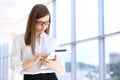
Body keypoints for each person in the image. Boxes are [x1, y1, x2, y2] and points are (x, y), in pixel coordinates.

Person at [10, 4, 65, 80]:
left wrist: (53, 65)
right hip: (30, 78)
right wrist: (33, 61)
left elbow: (62, 70)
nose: (44, 26)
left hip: (51, 77)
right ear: (32, 21)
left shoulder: (53, 41)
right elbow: (14, 65)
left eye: (46, 23)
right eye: (40, 23)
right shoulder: (20, 39)